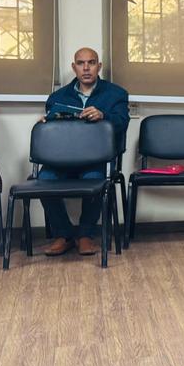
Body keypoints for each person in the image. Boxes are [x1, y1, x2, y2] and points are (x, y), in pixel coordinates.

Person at [39, 47, 129, 257]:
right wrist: (46, 124)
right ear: (74, 67)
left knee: (95, 179)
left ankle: (85, 235)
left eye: (91, 62)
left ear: (99, 66)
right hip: (62, 159)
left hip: (96, 159)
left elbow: (122, 123)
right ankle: (64, 234)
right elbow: (52, 132)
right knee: (44, 179)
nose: (86, 68)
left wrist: (103, 116)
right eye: (81, 63)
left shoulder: (116, 94)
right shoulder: (57, 97)